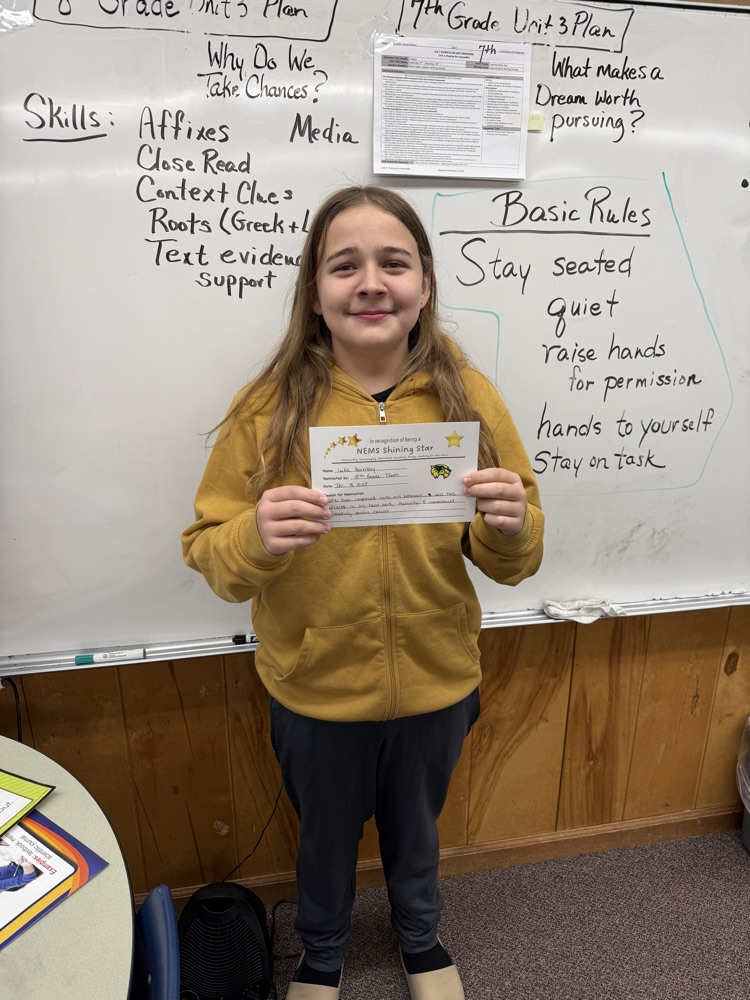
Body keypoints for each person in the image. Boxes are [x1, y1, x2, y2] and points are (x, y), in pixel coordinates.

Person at [182, 184, 544, 1000]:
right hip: (316, 689)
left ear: (424, 285)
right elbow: (209, 553)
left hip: (436, 682)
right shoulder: (268, 410)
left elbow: (515, 561)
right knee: (325, 840)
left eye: (394, 263)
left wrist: (513, 525)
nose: (370, 282)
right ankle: (321, 952)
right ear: (315, 293)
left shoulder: (470, 401)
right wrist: (255, 537)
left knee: (418, 834)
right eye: (344, 265)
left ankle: (420, 941)